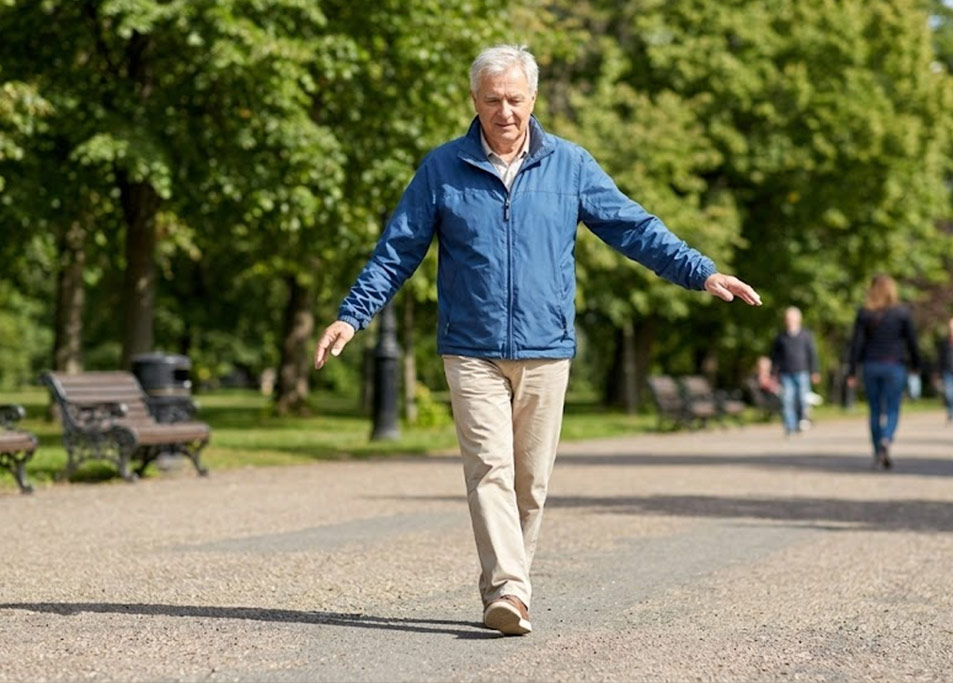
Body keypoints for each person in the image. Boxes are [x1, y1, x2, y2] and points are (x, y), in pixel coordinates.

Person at [312, 45, 762, 636]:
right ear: (474, 101)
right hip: (470, 348)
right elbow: (397, 250)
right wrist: (352, 315)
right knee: (489, 470)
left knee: (531, 482)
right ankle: (509, 591)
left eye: (515, 100)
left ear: (533, 100)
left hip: (546, 347)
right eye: (493, 100)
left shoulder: (570, 166)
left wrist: (699, 271)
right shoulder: (442, 169)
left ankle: (509, 586)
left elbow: (635, 228)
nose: (505, 111)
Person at [846, 274, 921, 469]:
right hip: (893, 365)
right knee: (893, 408)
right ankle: (886, 439)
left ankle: (877, 449)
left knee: (875, 410)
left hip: (871, 366)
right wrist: (917, 365)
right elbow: (912, 342)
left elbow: (856, 344)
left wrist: (852, 371)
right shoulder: (902, 313)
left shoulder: (864, 313)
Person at [769, 307, 820, 435]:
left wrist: (814, 371)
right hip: (786, 373)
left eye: (792, 318)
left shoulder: (806, 336)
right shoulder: (781, 337)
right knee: (787, 400)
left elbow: (812, 354)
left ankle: (802, 420)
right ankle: (789, 426)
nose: (790, 321)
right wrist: (773, 373)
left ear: (799, 319)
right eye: (788, 319)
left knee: (802, 399)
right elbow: (775, 357)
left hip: (802, 371)